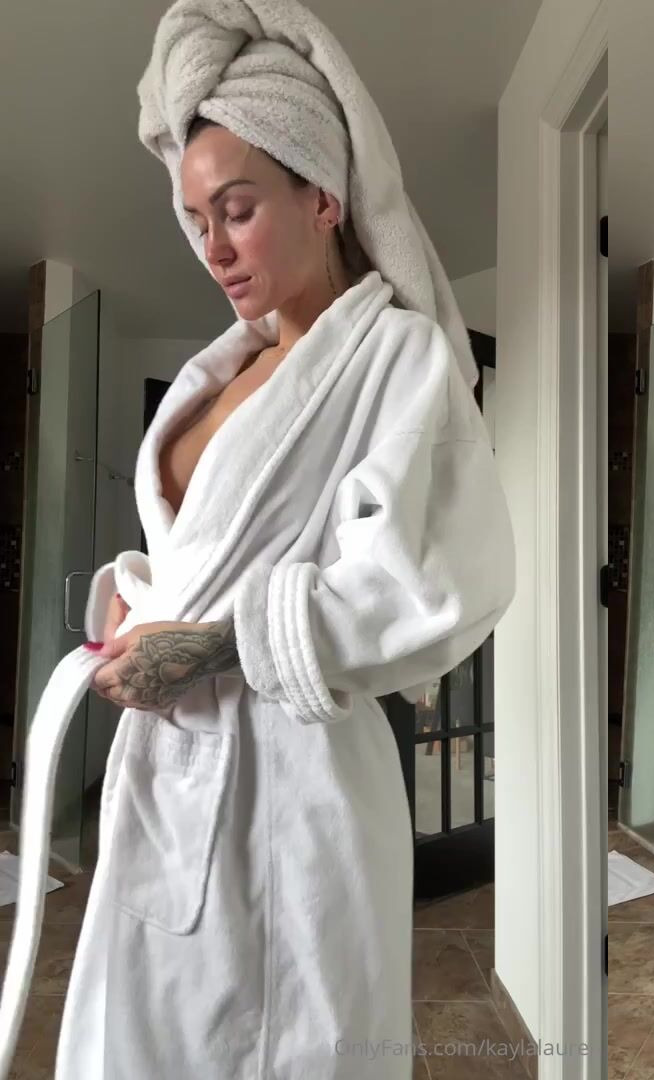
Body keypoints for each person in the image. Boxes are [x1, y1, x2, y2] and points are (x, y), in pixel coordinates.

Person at [0, 1, 515, 1075]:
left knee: (285, 1046)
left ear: (323, 195)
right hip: (171, 774)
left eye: (237, 210)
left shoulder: (397, 357)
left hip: (297, 784)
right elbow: (203, 552)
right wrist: (143, 597)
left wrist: (222, 642)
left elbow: (440, 581)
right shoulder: (224, 366)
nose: (214, 248)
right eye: (197, 220)